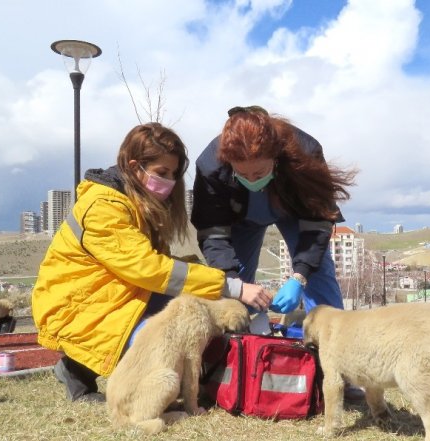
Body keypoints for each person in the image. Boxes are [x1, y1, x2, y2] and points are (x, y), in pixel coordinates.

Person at [32, 122, 272, 402]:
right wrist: (230, 286)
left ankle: (77, 368)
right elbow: (146, 268)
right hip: (76, 307)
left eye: (173, 174)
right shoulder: (103, 208)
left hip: (109, 298)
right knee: (167, 339)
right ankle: (78, 372)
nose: (169, 181)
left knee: (192, 310)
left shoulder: (137, 204)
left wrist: (206, 280)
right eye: (161, 173)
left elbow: (158, 268)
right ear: (135, 167)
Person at [191, 106, 364, 400]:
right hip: (240, 217)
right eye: (241, 173)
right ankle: (235, 364)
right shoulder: (210, 166)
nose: (251, 178)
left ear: (276, 156)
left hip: (293, 211)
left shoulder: (304, 153)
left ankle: (339, 371)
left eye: (259, 171)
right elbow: (213, 233)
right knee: (235, 288)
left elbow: (317, 223)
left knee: (318, 271)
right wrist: (236, 283)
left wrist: (300, 275)